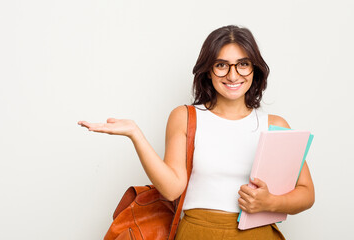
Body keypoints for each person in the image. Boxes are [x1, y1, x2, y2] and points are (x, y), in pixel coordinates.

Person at [78, 25, 315, 240]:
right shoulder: (185, 117)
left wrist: (271, 202)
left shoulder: (275, 125)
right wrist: (135, 134)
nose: (233, 76)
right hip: (197, 233)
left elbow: (306, 194)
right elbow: (172, 189)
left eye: (243, 64)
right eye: (221, 65)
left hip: (258, 235)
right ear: (208, 71)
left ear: (254, 69)